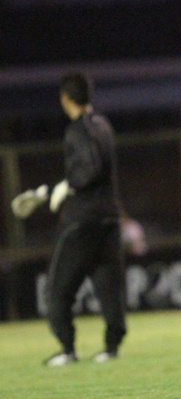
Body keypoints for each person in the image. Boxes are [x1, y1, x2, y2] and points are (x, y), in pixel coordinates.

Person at [43, 73, 127, 366]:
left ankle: (67, 349)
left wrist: (69, 185)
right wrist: (47, 191)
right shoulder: (103, 125)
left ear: (66, 98)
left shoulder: (76, 130)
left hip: (81, 222)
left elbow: (89, 168)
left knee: (56, 290)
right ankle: (111, 348)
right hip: (109, 219)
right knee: (109, 287)